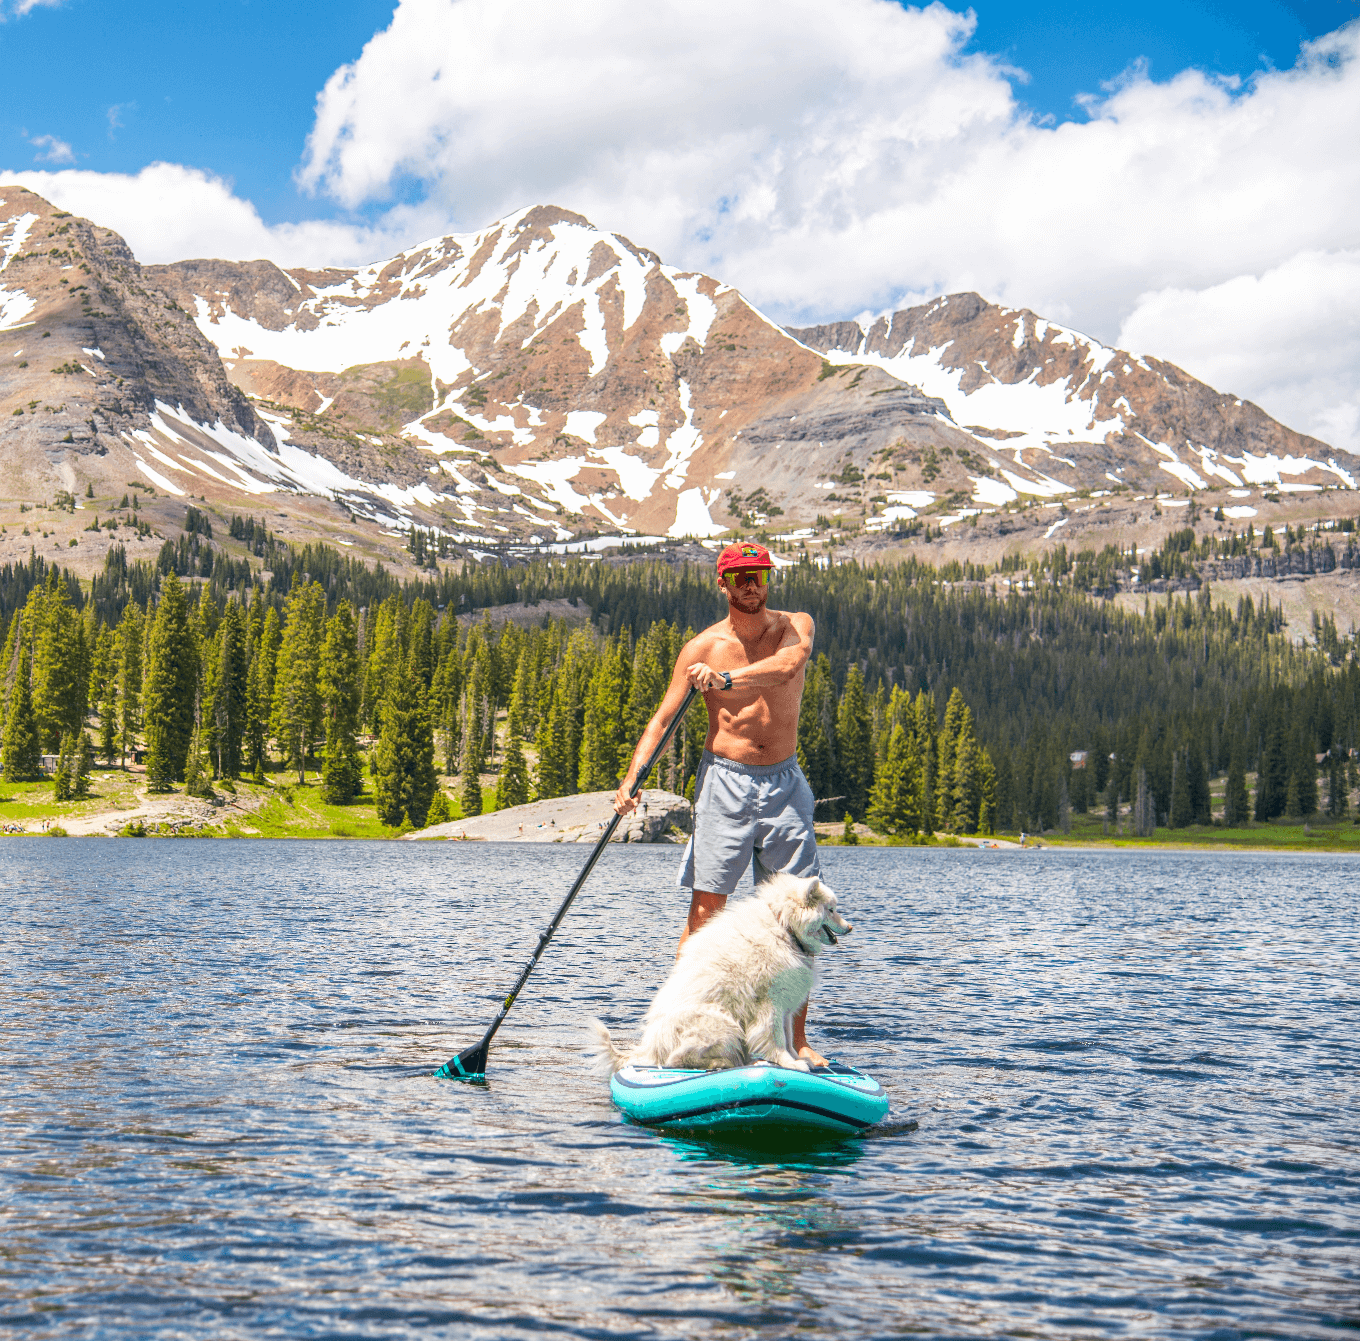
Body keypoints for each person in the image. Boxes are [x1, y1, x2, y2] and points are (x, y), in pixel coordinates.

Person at [613, 540, 827, 1066]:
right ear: (723, 584)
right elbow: (663, 719)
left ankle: (794, 1042)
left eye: (759, 575)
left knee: (799, 916)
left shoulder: (795, 626)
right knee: (707, 914)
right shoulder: (701, 648)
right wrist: (632, 777)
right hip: (725, 783)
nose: (752, 584)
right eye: (741, 577)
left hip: (784, 786)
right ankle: (676, 1035)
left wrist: (726, 680)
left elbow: (786, 667)